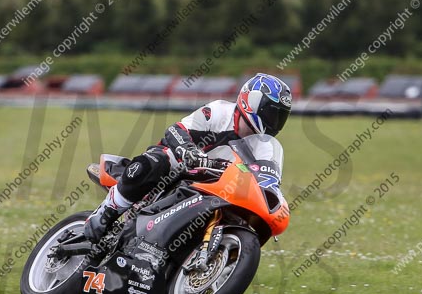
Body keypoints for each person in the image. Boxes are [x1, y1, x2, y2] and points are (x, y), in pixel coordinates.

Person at [84, 73, 292, 242]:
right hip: (180, 168)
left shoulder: (265, 148)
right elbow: (176, 130)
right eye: (272, 113)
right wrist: (188, 150)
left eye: (280, 116)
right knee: (156, 161)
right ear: (252, 102)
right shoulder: (220, 112)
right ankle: (106, 211)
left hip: (218, 188)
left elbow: (268, 180)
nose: (275, 122)